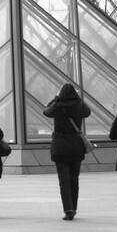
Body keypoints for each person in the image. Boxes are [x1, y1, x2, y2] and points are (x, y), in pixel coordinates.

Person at [42, 82, 91, 220]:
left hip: (60, 146)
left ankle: (68, 209)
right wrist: (78, 98)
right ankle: (74, 208)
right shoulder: (79, 105)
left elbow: (46, 110)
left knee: (63, 180)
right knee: (74, 179)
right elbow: (88, 111)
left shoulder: (58, 106)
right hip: (76, 146)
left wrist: (56, 98)